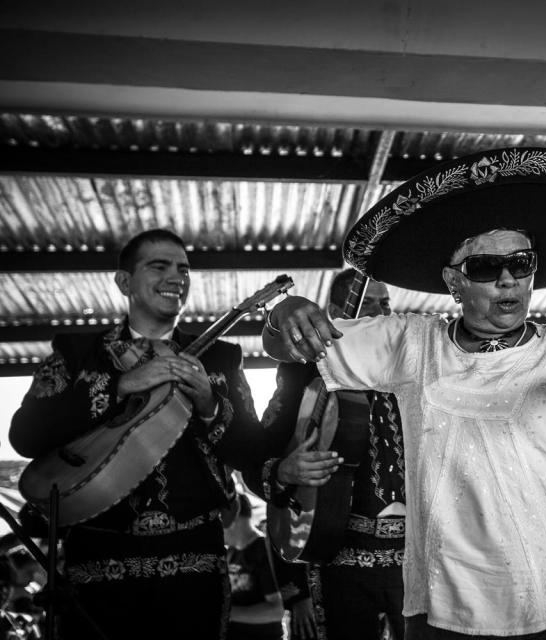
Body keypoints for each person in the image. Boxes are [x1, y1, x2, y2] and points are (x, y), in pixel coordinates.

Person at [260, 147, 546, 638]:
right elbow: (293, 346)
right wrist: (282, 315)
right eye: (485, 268)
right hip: (449, 604)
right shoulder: (410, 343)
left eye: (521, 263)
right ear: (454, 281)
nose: (506, 279)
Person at [7, 229, 310, 640]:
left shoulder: (222, 358)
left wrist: (210, 405)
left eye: (183, 269)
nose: (176, 277)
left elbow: (251, 453)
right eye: (159, 266)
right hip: (96, 566)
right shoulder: (77, 352)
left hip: (195, 565)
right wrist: (120, 385)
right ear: (124, 282)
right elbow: (26, 435)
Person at [251, 268, 403, 640]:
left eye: (386, 304)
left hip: (411, 562)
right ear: (336, 311)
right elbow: (258, 460)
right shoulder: (304, 371)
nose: (381, 314)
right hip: (336, 557)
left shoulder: (413, 369)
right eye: (368, 305)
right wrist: (284, 471)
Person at [224, 493, 284, 640]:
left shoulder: (264, 549)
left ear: (233, 516)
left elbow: (276, 610)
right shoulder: (231, 552)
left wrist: (225, 613)